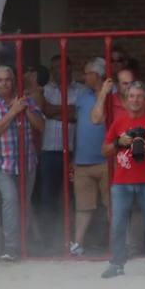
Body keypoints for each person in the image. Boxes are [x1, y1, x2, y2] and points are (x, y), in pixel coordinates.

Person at [100, 81, 145, 278]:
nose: (135, 100)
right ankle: (117, 264)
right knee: (118, 223)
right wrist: (118, 142)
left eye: (139, 96)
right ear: (126, 100)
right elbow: (105, 151)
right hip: (121, 182)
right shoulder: (118, 123)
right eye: (132, 96)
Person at [0, 65, 44, 260]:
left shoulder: (24, 100)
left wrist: (25, 110)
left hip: (27, 162)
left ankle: (23, 243)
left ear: (13, 80)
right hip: (2, 163)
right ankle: (11, 247)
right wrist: (13, 112)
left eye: (7, 80)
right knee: (10, 199)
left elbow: (41, 126)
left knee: (23, 203)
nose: (4, 84)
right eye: (0, 80)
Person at [35, 54, 84, 241]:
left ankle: (71, 238)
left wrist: (54, 110)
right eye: (54, 68)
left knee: (72, 197)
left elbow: (78, 114)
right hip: (49, 153)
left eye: (62, 67)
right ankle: (51, 239)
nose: (58, 71)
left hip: (73, 153)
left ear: (70, 68)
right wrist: (66, 110)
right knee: (49, 198)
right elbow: (43, 110)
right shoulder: (44, 91)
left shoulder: (81, 90)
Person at [68, 58, 111, 256]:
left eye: (87, 73)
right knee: (83, 206)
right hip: (82, 161)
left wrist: (103, 94)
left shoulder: (114, 95)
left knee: (112, 204)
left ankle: (118, 243)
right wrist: (73, 156)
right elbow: (79, 127)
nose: (83, 77)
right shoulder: (82, 96)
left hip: (106, 160)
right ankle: (78, 243)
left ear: (97, 75)